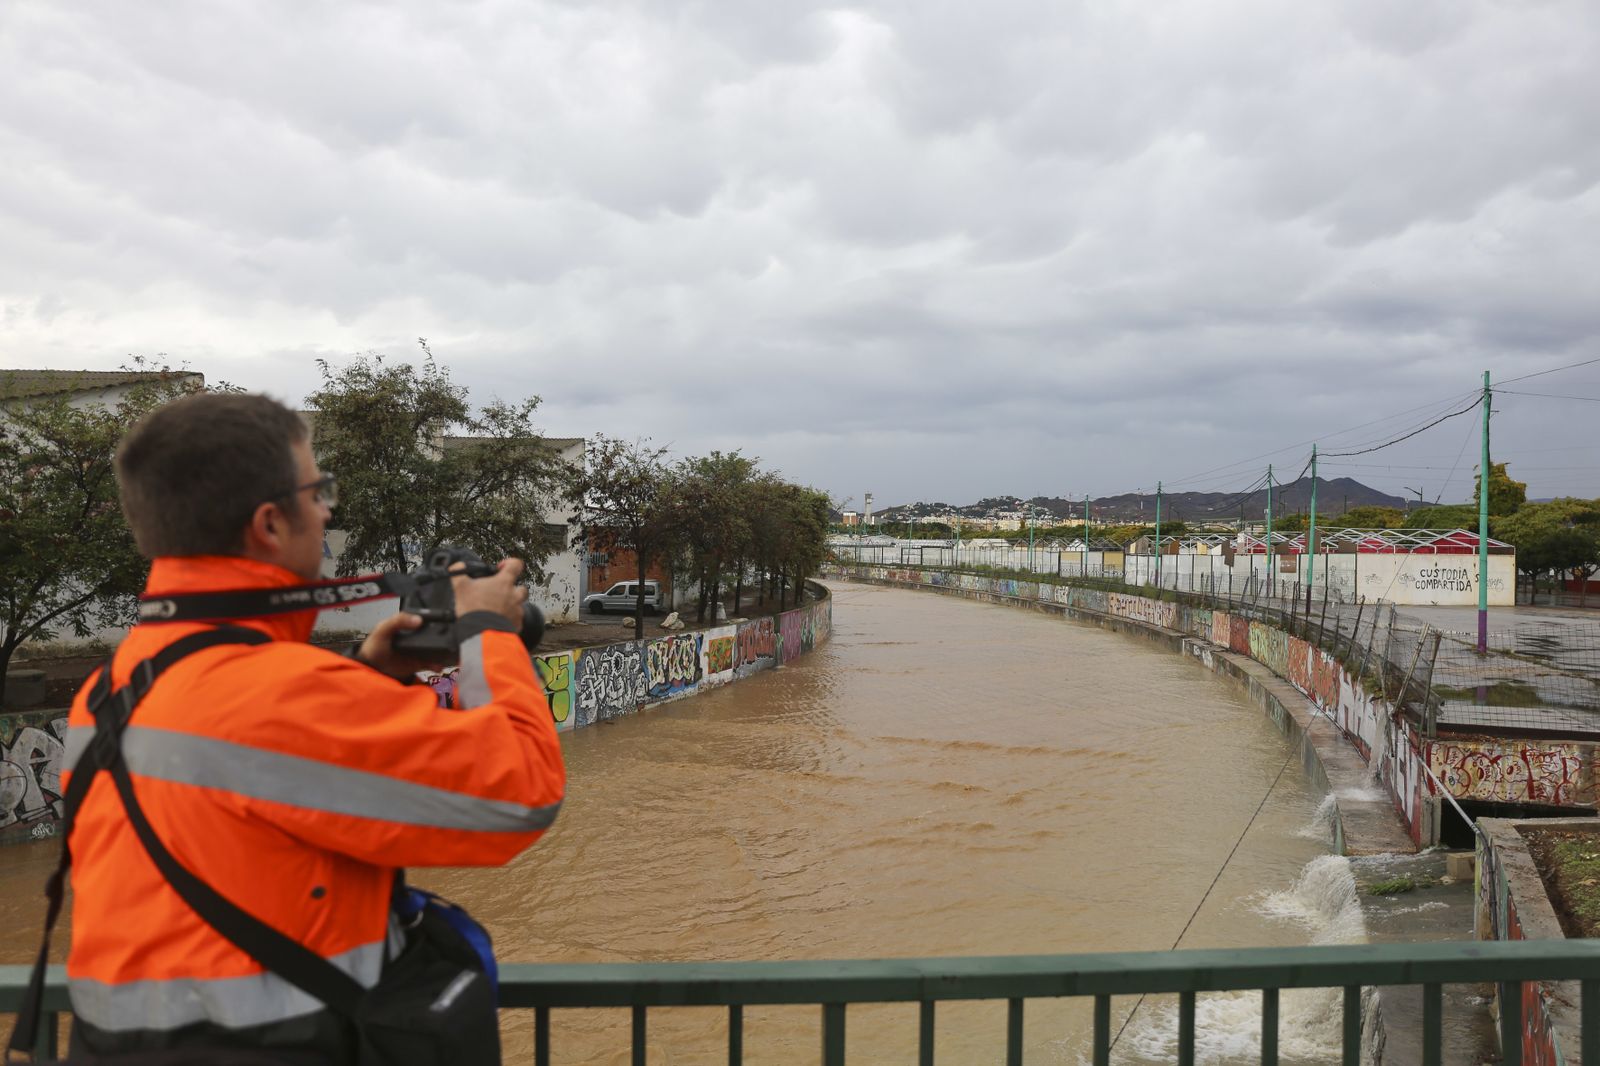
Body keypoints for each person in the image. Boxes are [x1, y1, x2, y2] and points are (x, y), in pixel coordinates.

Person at [59, 392, 566, 1060]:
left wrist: (368, 677)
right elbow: (522, 792)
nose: (327, 511)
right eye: (318, 490)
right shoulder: (281, 695)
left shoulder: (109, 688)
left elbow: (247, 822)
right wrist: (489, 632)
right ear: (270, 523)